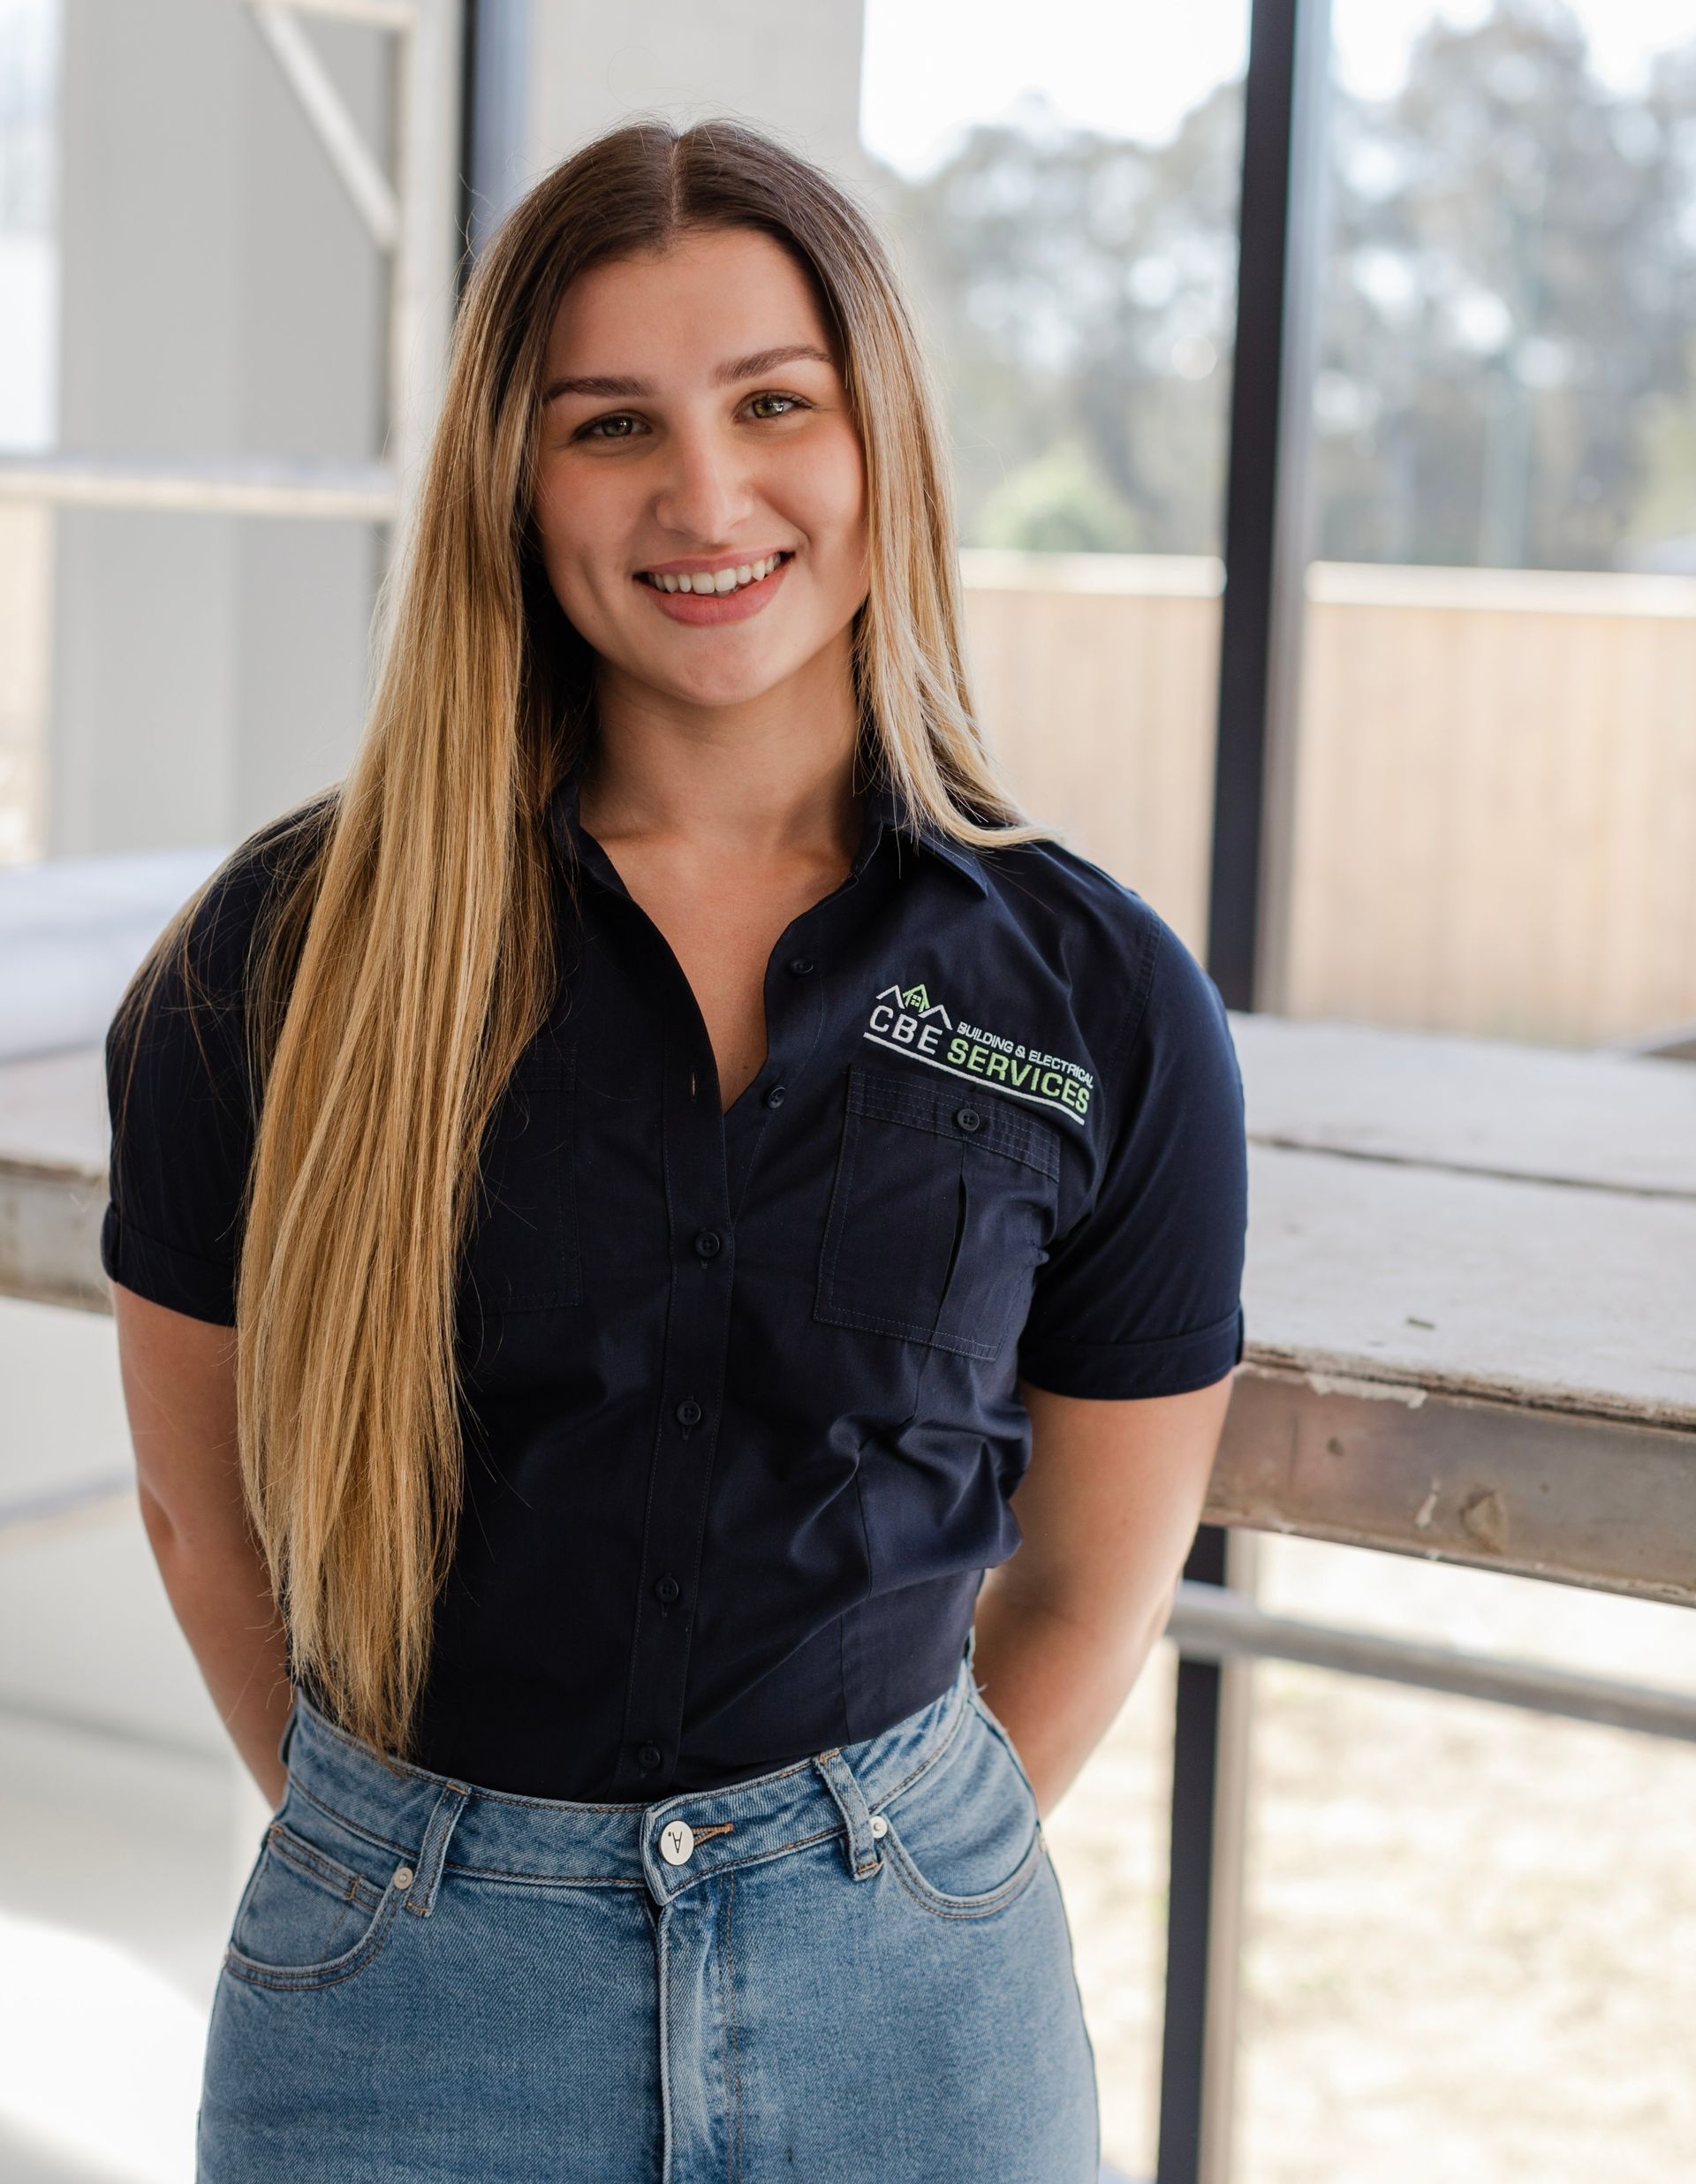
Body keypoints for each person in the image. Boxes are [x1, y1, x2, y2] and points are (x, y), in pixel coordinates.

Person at [104, 117, 1248, 2184]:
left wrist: (869, 1881)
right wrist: (428, 1870)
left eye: (772, 405)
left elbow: (1093, 1566)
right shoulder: (277, 967)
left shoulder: (1098, 997)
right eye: (611, 421)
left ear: (877, 441)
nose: (703, 495)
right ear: (513, 487)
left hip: (917, 2007)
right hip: (406, 2011)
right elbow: (211, 1526)